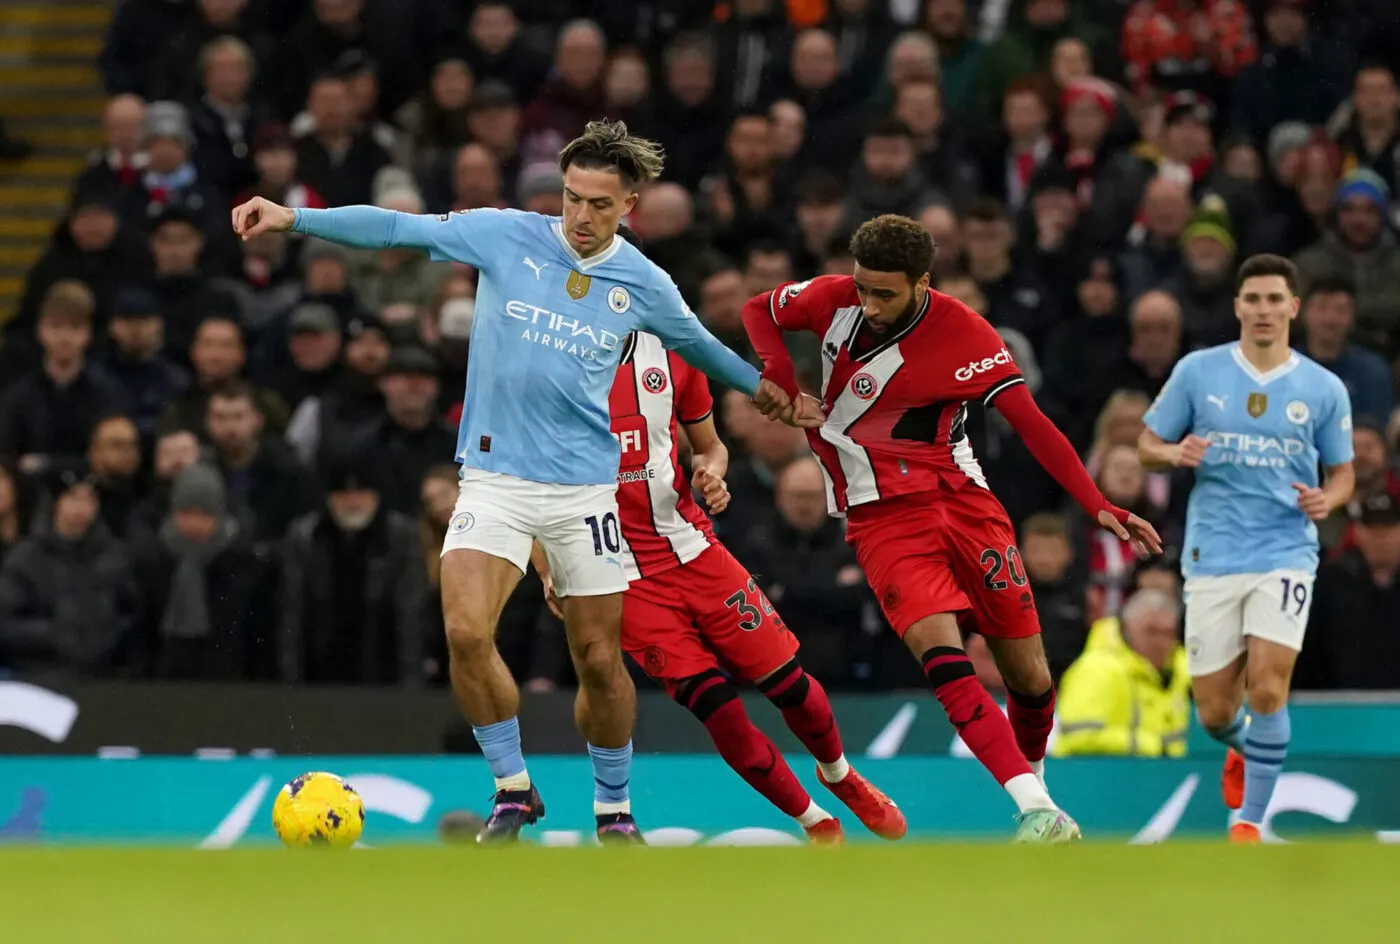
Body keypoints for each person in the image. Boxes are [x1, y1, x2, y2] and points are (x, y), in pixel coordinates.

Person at [232, 119, 805, 845]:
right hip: (495, 478)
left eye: (600, 204)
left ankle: (613, 809)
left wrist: (772, 393)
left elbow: (701, 348)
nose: (582, 216)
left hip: (584, 493)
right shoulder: (505, 234)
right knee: (466, 631)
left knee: (599, 661)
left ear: (629, 204)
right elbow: (394, 229)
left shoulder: (643, 281)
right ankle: (513, 789)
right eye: (572, 198)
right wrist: (293, 218)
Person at [740, 214, 1162, 843]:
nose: (868, 304)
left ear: (923, 283)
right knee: (944, 658)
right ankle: (1035, 811)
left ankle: (1042, 797)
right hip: (882, 515)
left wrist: (1096, 499)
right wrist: (776, 368)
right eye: (862, 288)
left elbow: (1032, 422)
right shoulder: (834, 299)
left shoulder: (966, 334)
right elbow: (758, 309)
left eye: (884, 293)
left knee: (1031, 678)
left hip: (964, 502)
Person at [536, 329, 906, 845]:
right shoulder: (543, 369)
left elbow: (710, 448)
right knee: (719, 710)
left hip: (695, 552)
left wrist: (711, 474)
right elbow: (526, 484)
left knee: (791, 687)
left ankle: (839, 774)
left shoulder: (671, 358)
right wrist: (547, 567)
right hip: (621, 577)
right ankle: (815, 822)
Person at [1138, 253, 1355, 843]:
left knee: (1267, 684)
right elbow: (1144, 443)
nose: (1263, 310)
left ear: (1293, 307)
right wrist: (1172, 452)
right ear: (1238, 307)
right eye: (1253, 299)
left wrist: (1328, 501)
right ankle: (1244, 750)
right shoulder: (1198, 372)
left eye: (1274, 299)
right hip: (1213, 554)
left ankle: (1249, 825)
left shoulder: (1323, 388)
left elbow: (1343, 473)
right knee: (1212, 712)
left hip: (1286, 551)